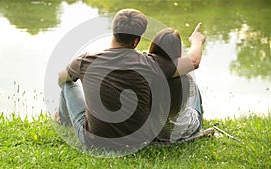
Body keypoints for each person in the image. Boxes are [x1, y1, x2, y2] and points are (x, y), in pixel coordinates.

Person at [56, 8, 205, 151]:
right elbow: (194, 61)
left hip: (94, 141)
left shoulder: (85, 61)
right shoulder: (150, 64)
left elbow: (61, 78)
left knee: (67, 83)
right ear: (136, 41)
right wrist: (196, 40)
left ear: (113, 32)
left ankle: (62, 120)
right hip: (137, 141)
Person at [148, 27, 205, 143]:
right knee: (195, 93)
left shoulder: (146, 73)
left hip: (155, 132)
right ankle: (200, 115)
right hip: (180, 131)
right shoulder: (187, 79)